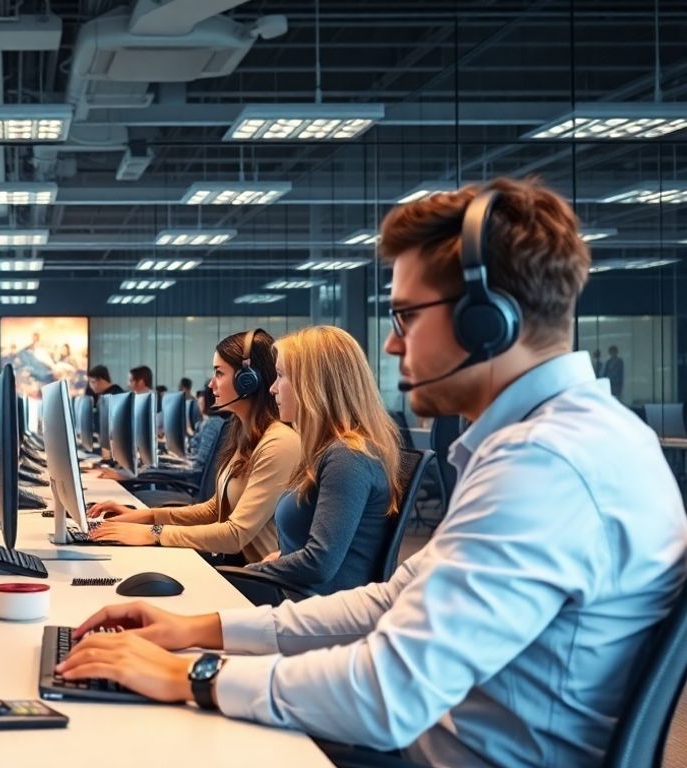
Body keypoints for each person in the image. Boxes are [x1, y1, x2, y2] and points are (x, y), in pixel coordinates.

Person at [57, 178, 686, 768]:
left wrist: (193, 674)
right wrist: (199, 629)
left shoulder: (548, 465)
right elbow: (391, 600)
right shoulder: (561, 442)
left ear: (486, 323)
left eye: (407, 316)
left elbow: (389, 693)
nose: (391, 344)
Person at [86, 330, 301, 559]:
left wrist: (154, 533)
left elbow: (235, 535)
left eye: (219, 373)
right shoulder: (246, 435)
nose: (211, 384)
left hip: (254, 580)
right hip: (234, 566)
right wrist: (146, 516)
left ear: (247, 381)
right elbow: (214, 509)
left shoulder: (279, 443)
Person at [244, 326, 400, 596]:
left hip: (313, 612)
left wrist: (248, 573)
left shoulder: (347, 457)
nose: (271, 388)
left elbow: (318, 564)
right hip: (295, 599)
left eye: (280, 375)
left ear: (313, 384)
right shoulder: (327, 451)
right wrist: (281, 556)